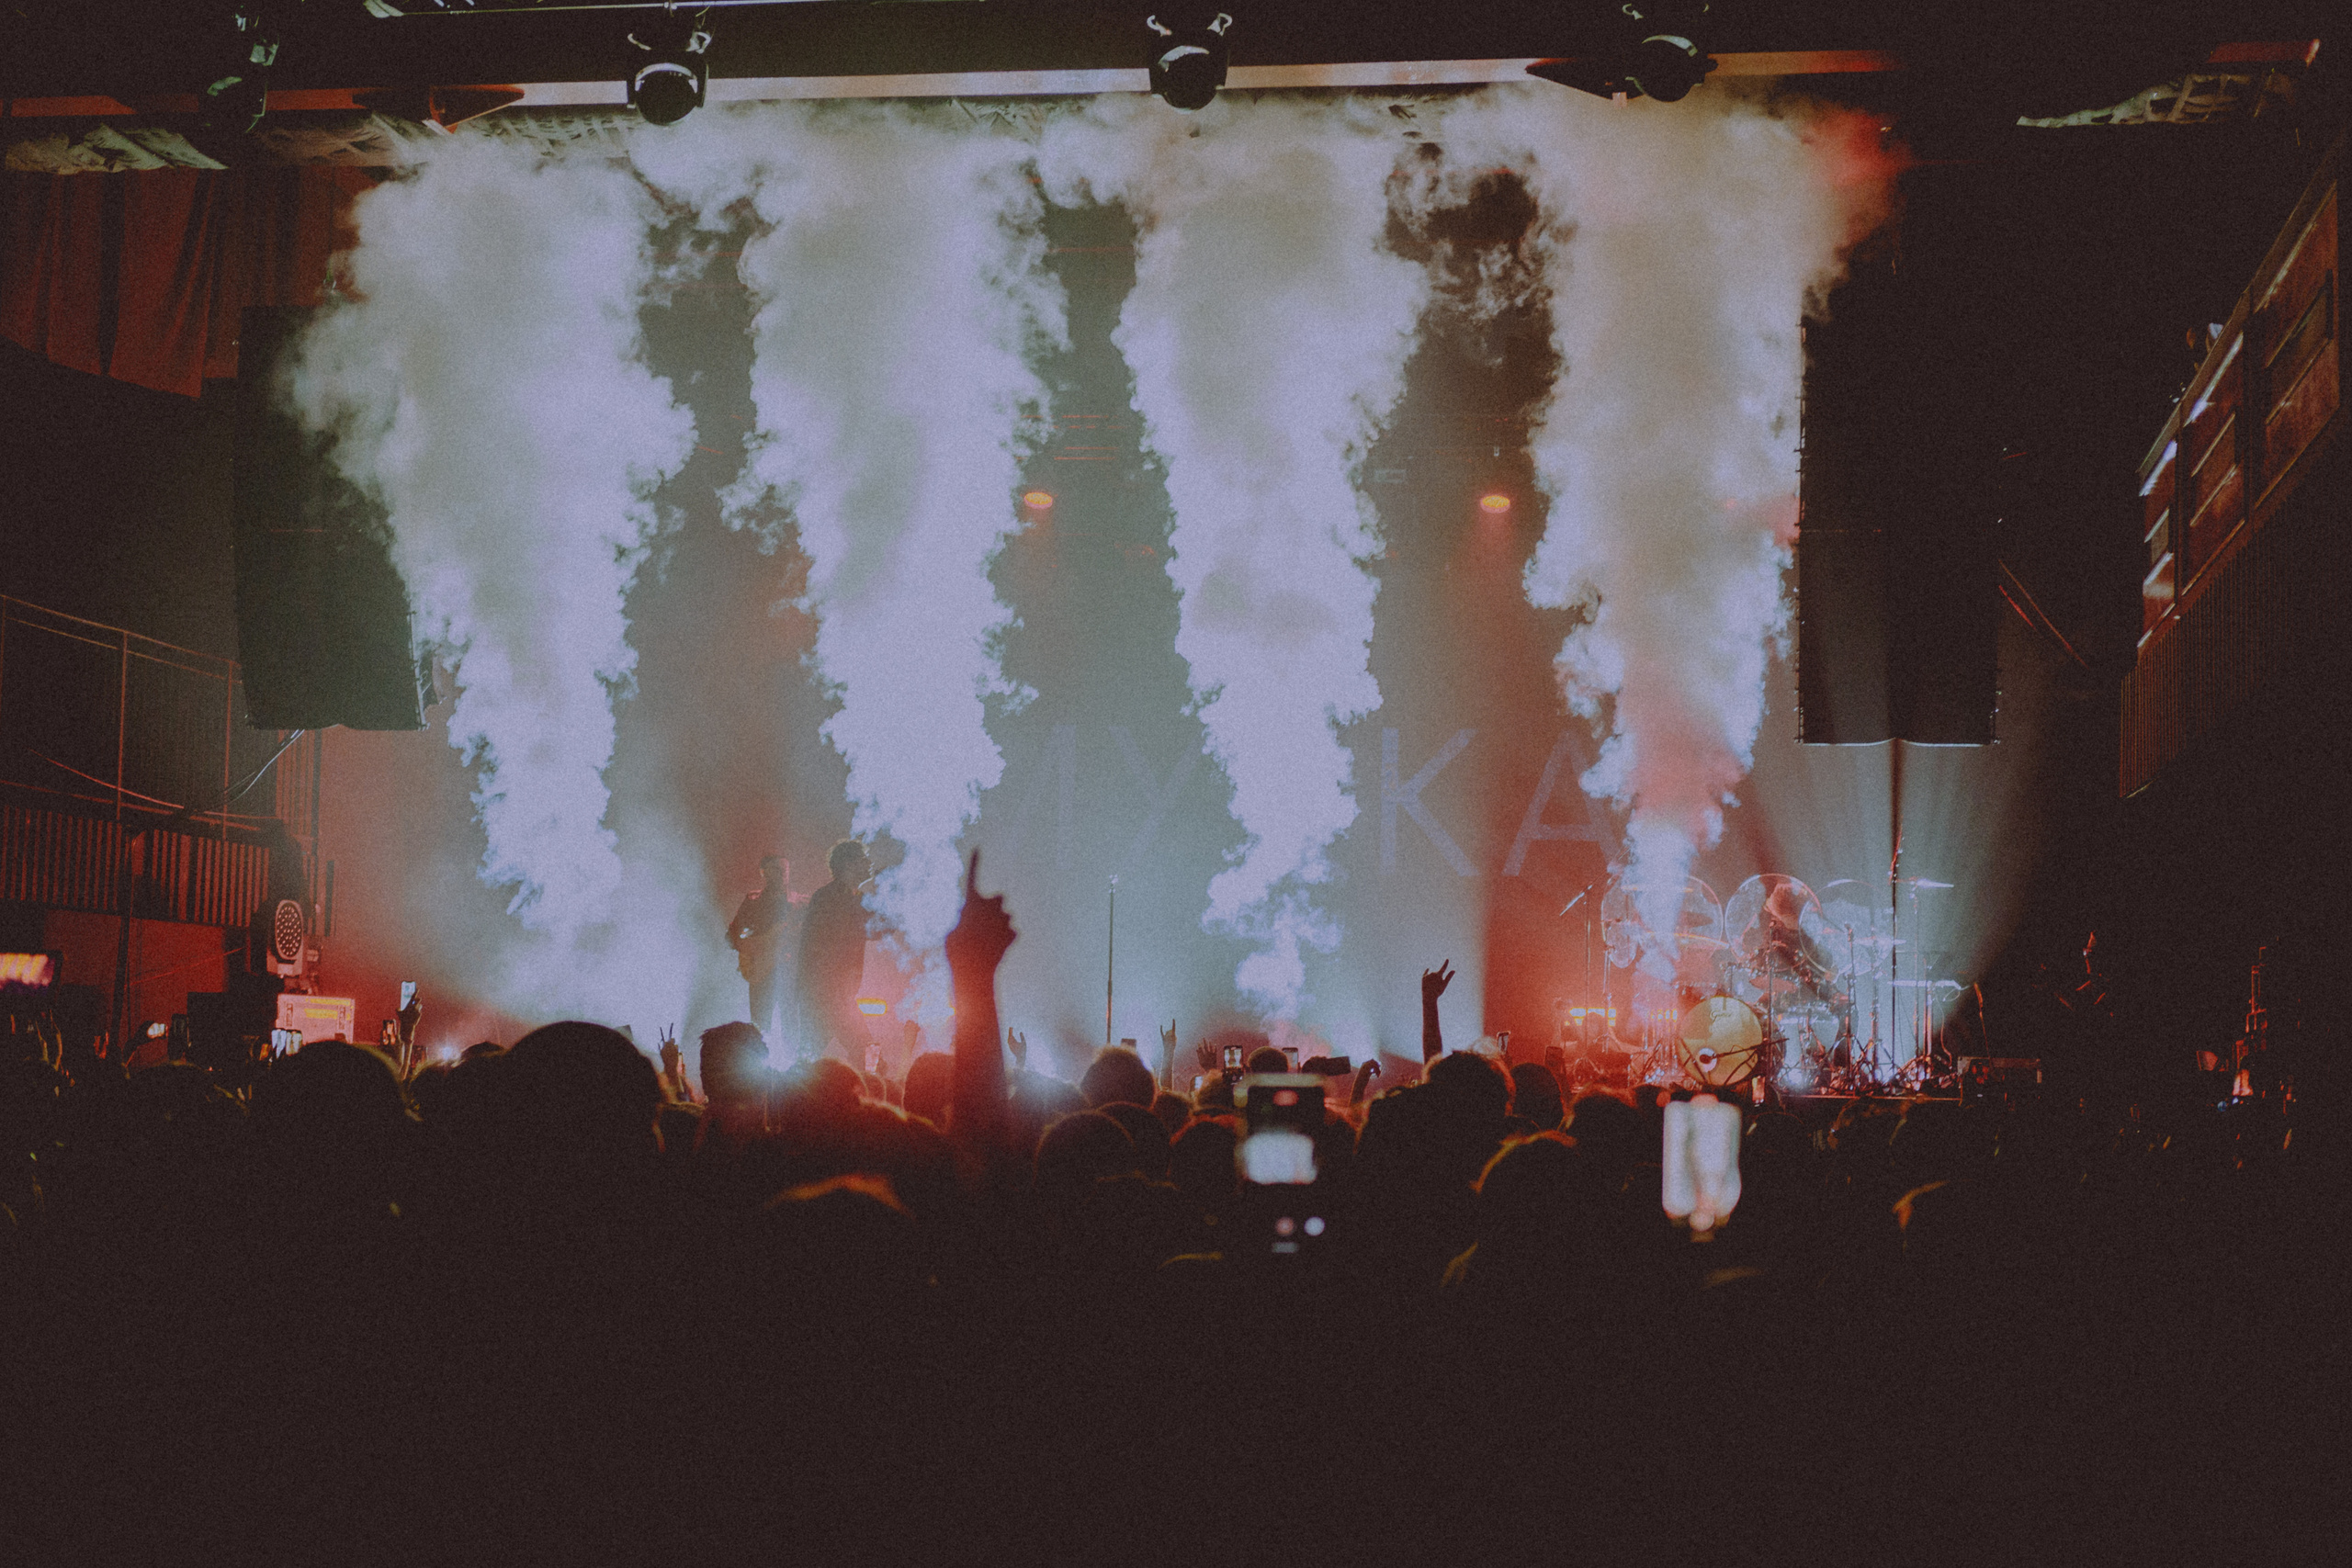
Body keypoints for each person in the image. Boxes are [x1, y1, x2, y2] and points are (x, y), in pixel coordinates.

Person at [797, 839, 875, 1066]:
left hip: (834, 994)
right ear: (848, 865)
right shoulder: (828, 898)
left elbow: (874, 927)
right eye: (863, 859)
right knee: (865, 1052)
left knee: (807, 1057)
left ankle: (794, 1097)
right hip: (824, 994)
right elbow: (844, 933)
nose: (870, 863)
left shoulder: (855, 898)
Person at [728, 854, 804, 1043]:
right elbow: (734, 935)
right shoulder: (753, 901)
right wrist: (755, 944)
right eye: (776, 870)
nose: (782, 874)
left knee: (791, 1024)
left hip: (789, 971)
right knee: (760, 1027)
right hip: (761, 971)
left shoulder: (800, 903)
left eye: (784, 870)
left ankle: (794, 1068)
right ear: (764, 873)